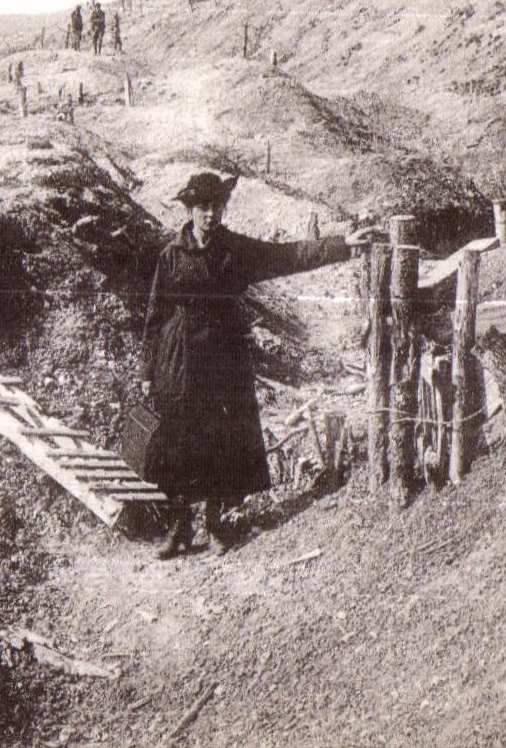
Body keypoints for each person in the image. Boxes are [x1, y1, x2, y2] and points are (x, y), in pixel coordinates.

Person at [120, 172, 379, 559]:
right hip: (177, 360)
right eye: (203, 208)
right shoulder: (171, 255)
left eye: (217, 206)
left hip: (222, 358)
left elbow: (286, 256)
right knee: (176, 444)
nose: (211, 214)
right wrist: (146, 370)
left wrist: (342, 245)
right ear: (190, 211)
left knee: (217, 440)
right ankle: (179, 527)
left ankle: (215, 523)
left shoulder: (234, 250)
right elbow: (156, 315)